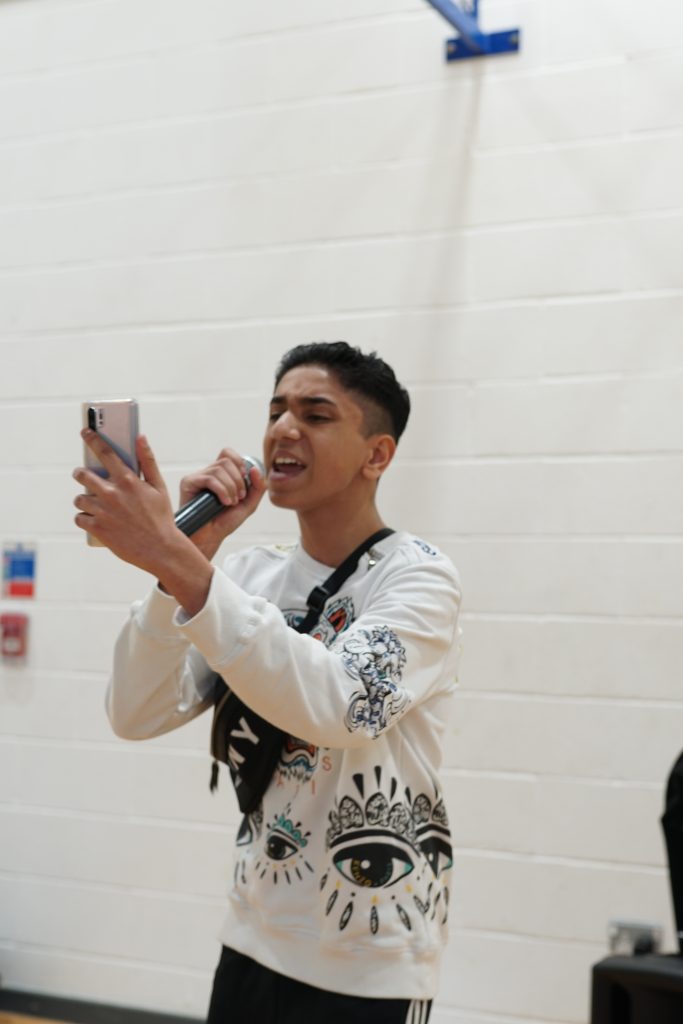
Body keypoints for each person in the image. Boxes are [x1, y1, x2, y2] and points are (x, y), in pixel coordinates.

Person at [73, 342, 462, 1024]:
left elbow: (338, 703)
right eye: (276, 409)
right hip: (252, 937)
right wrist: (186, 559)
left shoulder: (418, 576)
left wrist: (178, 559)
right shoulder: (247, 574)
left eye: (315, 414)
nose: (283, 428)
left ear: (376, 455)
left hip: (369, 962)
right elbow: (135, 712)